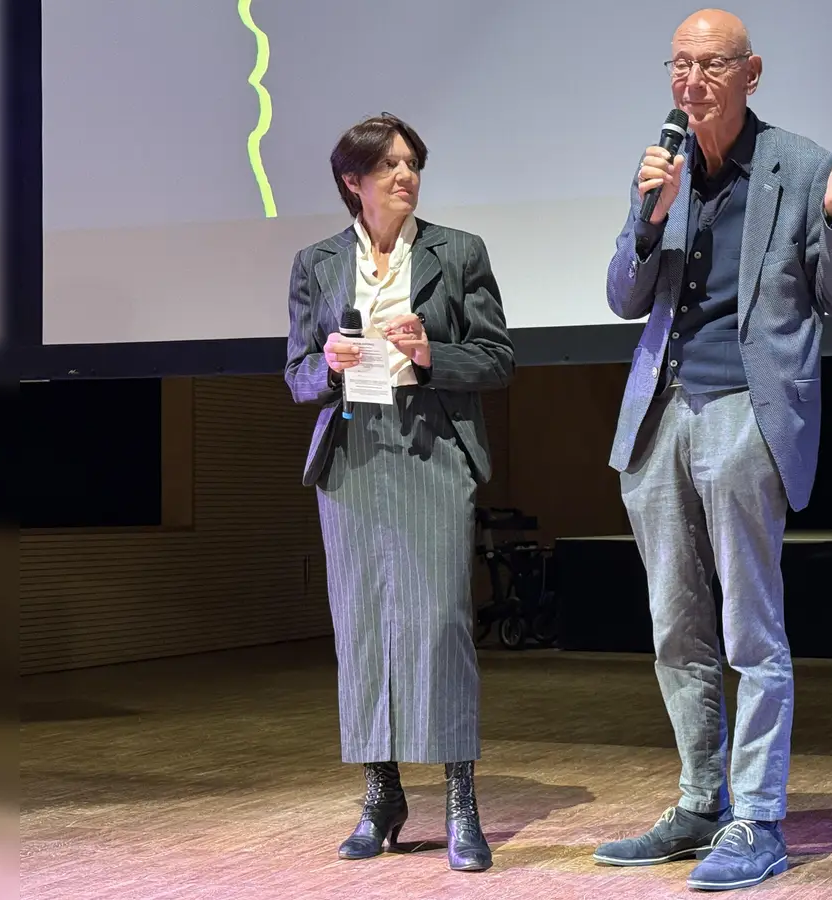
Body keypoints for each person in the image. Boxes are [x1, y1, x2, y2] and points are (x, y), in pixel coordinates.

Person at [591, 8, 832, 892]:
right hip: (660, 415)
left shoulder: (799, 165)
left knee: (751, 630)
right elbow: (621, 296)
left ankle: (758, 817)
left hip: (746, 410)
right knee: (676, 627)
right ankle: (700, 801)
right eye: (679, 63)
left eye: (710, 64)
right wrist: (647, 218)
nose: (691, 80)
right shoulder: (661, 166)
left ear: (751, 74)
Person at [283, 113, 514, 873]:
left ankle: (460, 799)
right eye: (387, 166)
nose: (404, 176)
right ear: (354, 181)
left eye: (411, 163)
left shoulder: (458, 253)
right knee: (363, 627)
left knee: (440, 622)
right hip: (352, 455)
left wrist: (430, 352)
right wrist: (330, 364)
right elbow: (296, 376)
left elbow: (497, 359)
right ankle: (382, 794)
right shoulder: (317, 263)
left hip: (431, 447)